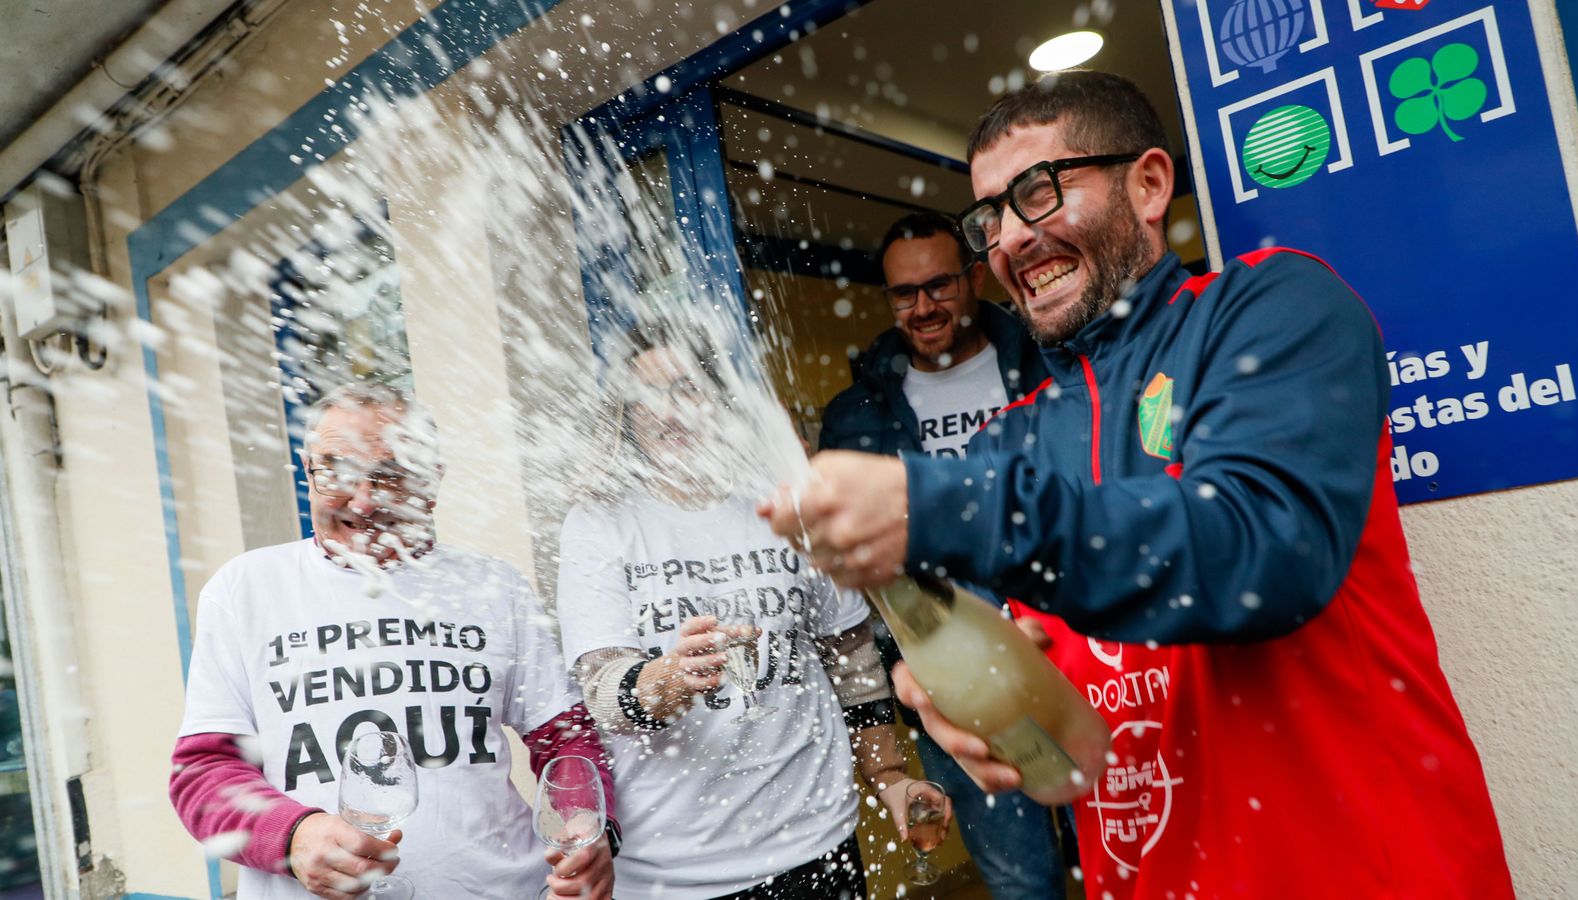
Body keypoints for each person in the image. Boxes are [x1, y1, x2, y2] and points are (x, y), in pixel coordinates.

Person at [762, 71, 1515, 899]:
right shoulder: (1014, 435)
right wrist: (949, 694)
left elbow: (1259, 549)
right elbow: (1039, 675)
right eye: (991, 218)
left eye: (1039, 192)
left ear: (1149, 184)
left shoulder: (1271, 308)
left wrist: (934, 504)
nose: (1011, 239)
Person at [170, 382, 617, 899]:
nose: (363, 500)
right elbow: (203, 774)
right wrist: (292, 836)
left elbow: (565, 740)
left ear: (433, 481)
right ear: (308, 470)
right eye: (337, 472)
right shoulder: (244, 590)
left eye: (391, 475)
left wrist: (585, 831)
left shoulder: (497, 587)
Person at [556, 324, 940, 899]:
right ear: (626, 414)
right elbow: (604, 693)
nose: (668, 413)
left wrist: (888, 776)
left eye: (686, 389)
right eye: (646, 398)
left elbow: (849, 653)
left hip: (817, 837)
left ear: (718, 398)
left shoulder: (782, 500)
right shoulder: (601, 521)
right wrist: (668, 678)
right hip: (677, 868)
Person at [818, 211, 1067, 898]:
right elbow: (857, 561)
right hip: (952, 678)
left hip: (1069, 649)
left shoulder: (1048, 364)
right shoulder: (855, 416)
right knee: (1020, 876)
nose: (923, 307)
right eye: (904, 293)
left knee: (1119, 839)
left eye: (938, 286)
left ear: (973, 277)